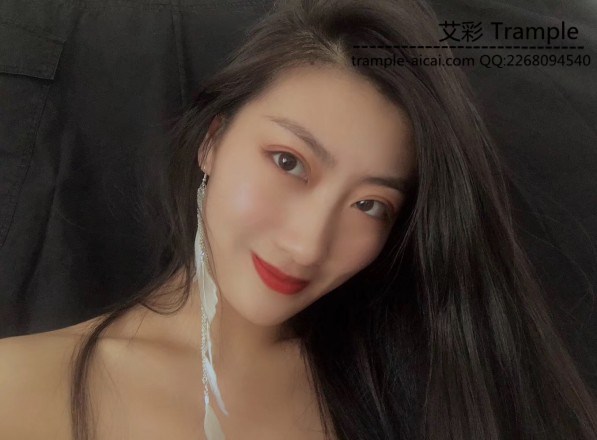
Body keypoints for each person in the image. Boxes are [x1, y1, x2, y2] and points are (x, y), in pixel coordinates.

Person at [1, 0, 596, 439]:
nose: (309, 244)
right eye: (289, 162)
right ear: (212, 141)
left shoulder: (416, 389)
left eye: (370, 205)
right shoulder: (18, 390)